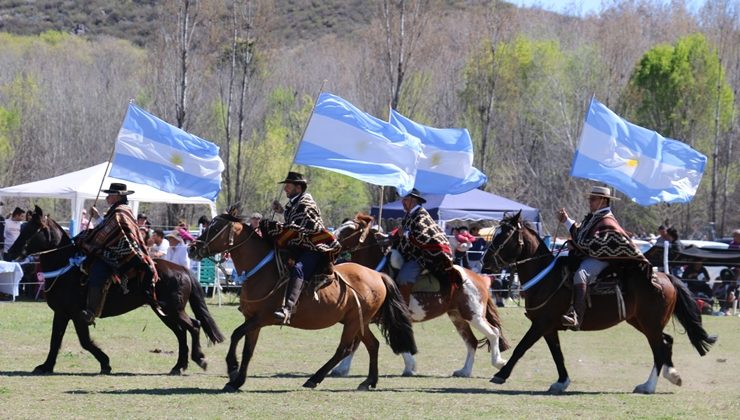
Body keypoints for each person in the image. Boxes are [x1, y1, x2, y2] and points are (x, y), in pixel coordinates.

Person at [557, 186, 644, 330]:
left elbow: (597, 246)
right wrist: (566, 221)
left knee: (581, 275)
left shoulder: (607, 221)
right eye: (590, 199)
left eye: (593, 199)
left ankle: (576, 316)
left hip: (603, 259)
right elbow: (580, 234)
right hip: (591, 255)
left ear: (603, 201)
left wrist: (575, 245)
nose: (589, 202)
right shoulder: (595, 218)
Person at [262, 171, 341, 323]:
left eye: (288, 186)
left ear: (298, 188)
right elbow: (296, 222)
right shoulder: (295, 204)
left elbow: (306, 227)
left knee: (298, 268)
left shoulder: (306, 204)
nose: (285, 189)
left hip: (314, 247)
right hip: (299, 245)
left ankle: (288, 308)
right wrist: (282, 212)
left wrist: (280, 227)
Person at [76, 183, 160, 325]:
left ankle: (91, 311)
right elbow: (107, 229)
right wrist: (96, 218)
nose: (107, 196)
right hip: (114, 249)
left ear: (118, 196)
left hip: (121, 254)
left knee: (97, 271)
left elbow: (111, 232)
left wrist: (90, 238)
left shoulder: (120, 212)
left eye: (110, 194)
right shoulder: (116, 211)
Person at [393, 188, 461, 306]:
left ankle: (403, 308)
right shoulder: (409, 215)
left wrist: (405, 233)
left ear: (413, 200)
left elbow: (424, 237)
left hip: (422, 257)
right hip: (407, 254)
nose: (403, 202)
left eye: (405, 200)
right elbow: (399, 233)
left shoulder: (421, 215)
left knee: (404, 277)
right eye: (402, 200)